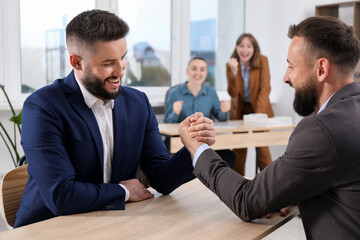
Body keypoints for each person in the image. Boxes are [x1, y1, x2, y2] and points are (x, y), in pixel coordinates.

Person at [15, 10, 215, 228]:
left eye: (123, 57)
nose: (121, 70)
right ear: (76, 62)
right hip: (47, 228)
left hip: (113, 224)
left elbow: (161, 179)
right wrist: (124, 191)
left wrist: (193, 148)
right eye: (109, 62)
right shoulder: (43, 107)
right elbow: (61, 196)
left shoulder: (138, 103)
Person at [179, 16, 360, 239]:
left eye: (291, 66)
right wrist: (291, 192)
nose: (285, 77)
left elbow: (246, 200)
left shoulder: (321, 130)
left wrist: (198, 148)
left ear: (321, 68)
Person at [226, 33, 274, 175]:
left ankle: (269, 183)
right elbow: (233, 93)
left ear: (254, 48)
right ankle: (237, 184)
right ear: (236, 47)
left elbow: (265, 89)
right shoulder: (230, 64)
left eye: (249, 46)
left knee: (263, 149)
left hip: (260, 108)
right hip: (240, 110)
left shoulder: (263, 61)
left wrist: (258, 116)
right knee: (239, 149)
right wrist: (234, 73)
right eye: (241, 46)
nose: (244, 50)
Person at [164, 57, 230, 123]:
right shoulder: (174, 93)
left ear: (206, 73)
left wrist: (224, 111)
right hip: (181, 133)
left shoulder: (211, 92)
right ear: (187, 71)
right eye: (193, 69)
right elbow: (167, 122)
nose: (198, 73)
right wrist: (175, 113)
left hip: (204, 132)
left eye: (202, 70)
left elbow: (221, 118)